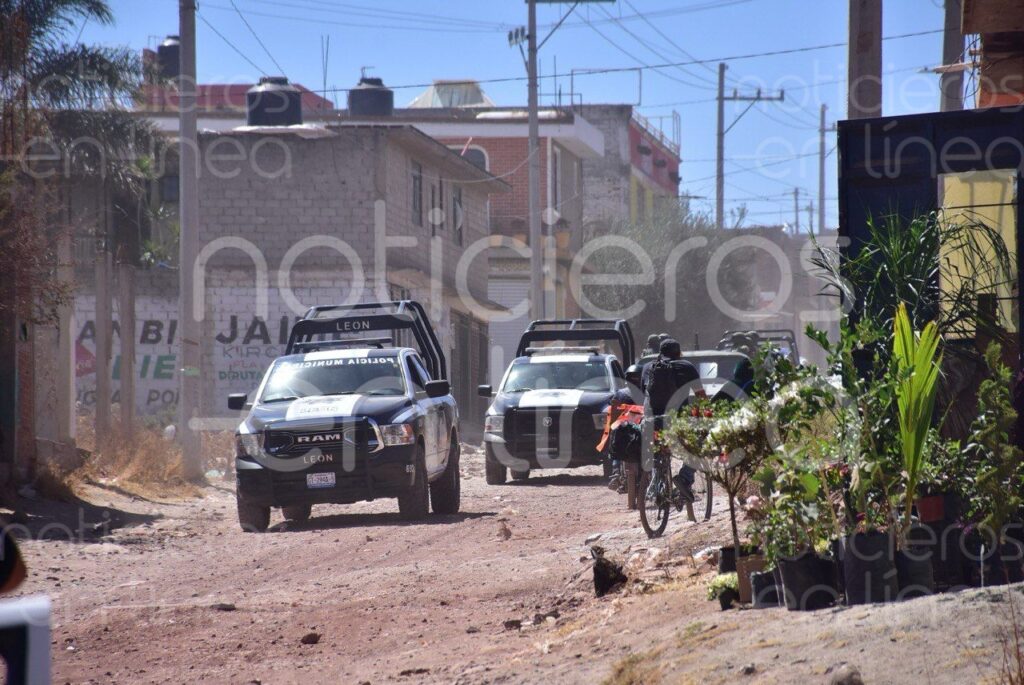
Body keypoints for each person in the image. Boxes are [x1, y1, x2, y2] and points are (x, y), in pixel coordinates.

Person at [641, 338, 702, 506]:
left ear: (661, 352)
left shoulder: (648, 367)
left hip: (651, 422)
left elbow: (644, 394)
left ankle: (655, 482)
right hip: (677, 422)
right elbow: (701, 396)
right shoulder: (686, 367)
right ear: (679, 353)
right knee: (697, 446)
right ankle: (684, 478)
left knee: (657, 450)